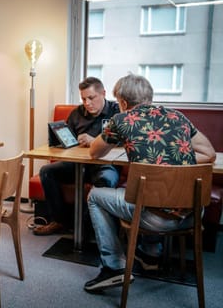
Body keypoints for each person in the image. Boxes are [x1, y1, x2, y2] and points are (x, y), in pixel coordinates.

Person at [84, 73, 216, 293]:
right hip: (192, 214)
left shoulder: (122, 120)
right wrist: (173, 161)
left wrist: (156, 164)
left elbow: (94, 152)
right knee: (149, 194)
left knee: (96, 195)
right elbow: (209, 154)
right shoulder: (177, 116)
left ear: (123, 102)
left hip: (154, 218)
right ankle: (150, 253)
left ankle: (114, 267)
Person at [33, 77, 121, 235]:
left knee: (106, 179)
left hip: (104, 164)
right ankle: (59, 221)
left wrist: (96, 141)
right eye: (83, 98)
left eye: (91, 98)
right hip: (77, 164)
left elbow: (123, 142)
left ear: (103, 94)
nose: (87, 103)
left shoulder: (117, 112)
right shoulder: (76, 113)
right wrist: (64, 141)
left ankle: (92, 228)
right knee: (47, 171)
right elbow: (67, 142)